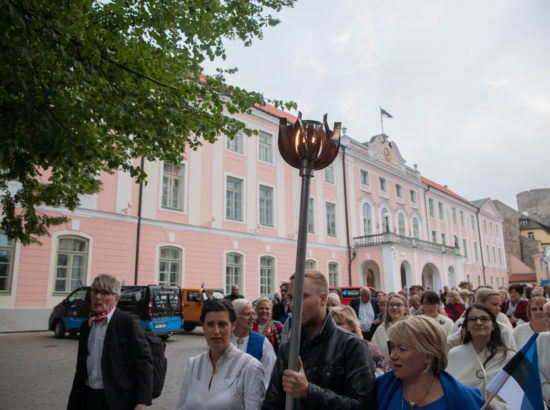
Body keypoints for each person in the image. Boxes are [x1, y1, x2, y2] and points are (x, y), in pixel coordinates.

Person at [262, 270, 376, 409]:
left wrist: (308, 392)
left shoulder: (352, 346)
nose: (294, 304)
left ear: (323, 299)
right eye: (291, 298)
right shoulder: (288, 349)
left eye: (302, 296)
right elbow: (272, 404)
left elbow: (363, 405)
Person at [67, 274, 153, 410]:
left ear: (116, 299)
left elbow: (144, 361)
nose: (98, 296)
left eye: (105, 293)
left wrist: (142, 401)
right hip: (88, 395)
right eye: (95, 291)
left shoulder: (127, 322)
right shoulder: (87, 325)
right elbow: (82, 366)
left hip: (117, 398)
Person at [376, 315, 485, 409]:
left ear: (428, 355)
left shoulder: (464, 399)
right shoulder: (381, 387)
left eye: (402, 349)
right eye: (392, 347)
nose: (393, 356)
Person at [177, 299, 265, 409]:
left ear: (233, 326)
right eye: (210, 324)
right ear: (203, 327)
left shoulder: (250, 367)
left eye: (222, 324)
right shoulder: (194, 364)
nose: (216, 331)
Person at [447, 304, 515, 410]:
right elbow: (449, 392)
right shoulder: (454, 354)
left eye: (484, 319)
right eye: (473, 319)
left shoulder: (509, 357)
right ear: (467, 326)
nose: (478, 322)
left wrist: (493, 406)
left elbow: (518, 399)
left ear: (493, 326)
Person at [448, 287, 516, 351]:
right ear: (479, 304)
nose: (498, 309)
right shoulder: (463, 324)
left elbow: (512, 353)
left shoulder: (503, 327)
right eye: (494, 305)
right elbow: (448, 344)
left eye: (499, 305)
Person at [330, 304, 390, 376]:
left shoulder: (367, 347)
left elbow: (385, 369)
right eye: (332, 324)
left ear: (352, 326)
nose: (335, 327)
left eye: (339, 324)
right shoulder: (326, 347)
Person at [231, 298, 276, 389]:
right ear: (235, 316)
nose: (252, 318)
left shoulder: (262, 342)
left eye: (253, 314)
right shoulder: (224, 340)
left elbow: (270, 376)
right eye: (248, 314)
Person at [372, 294, 409, 360]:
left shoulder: (413, 328)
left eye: (398, 305)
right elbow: (373, 353)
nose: (394, 307)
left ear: (405, 309)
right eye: (391, 304)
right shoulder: (381, 329)